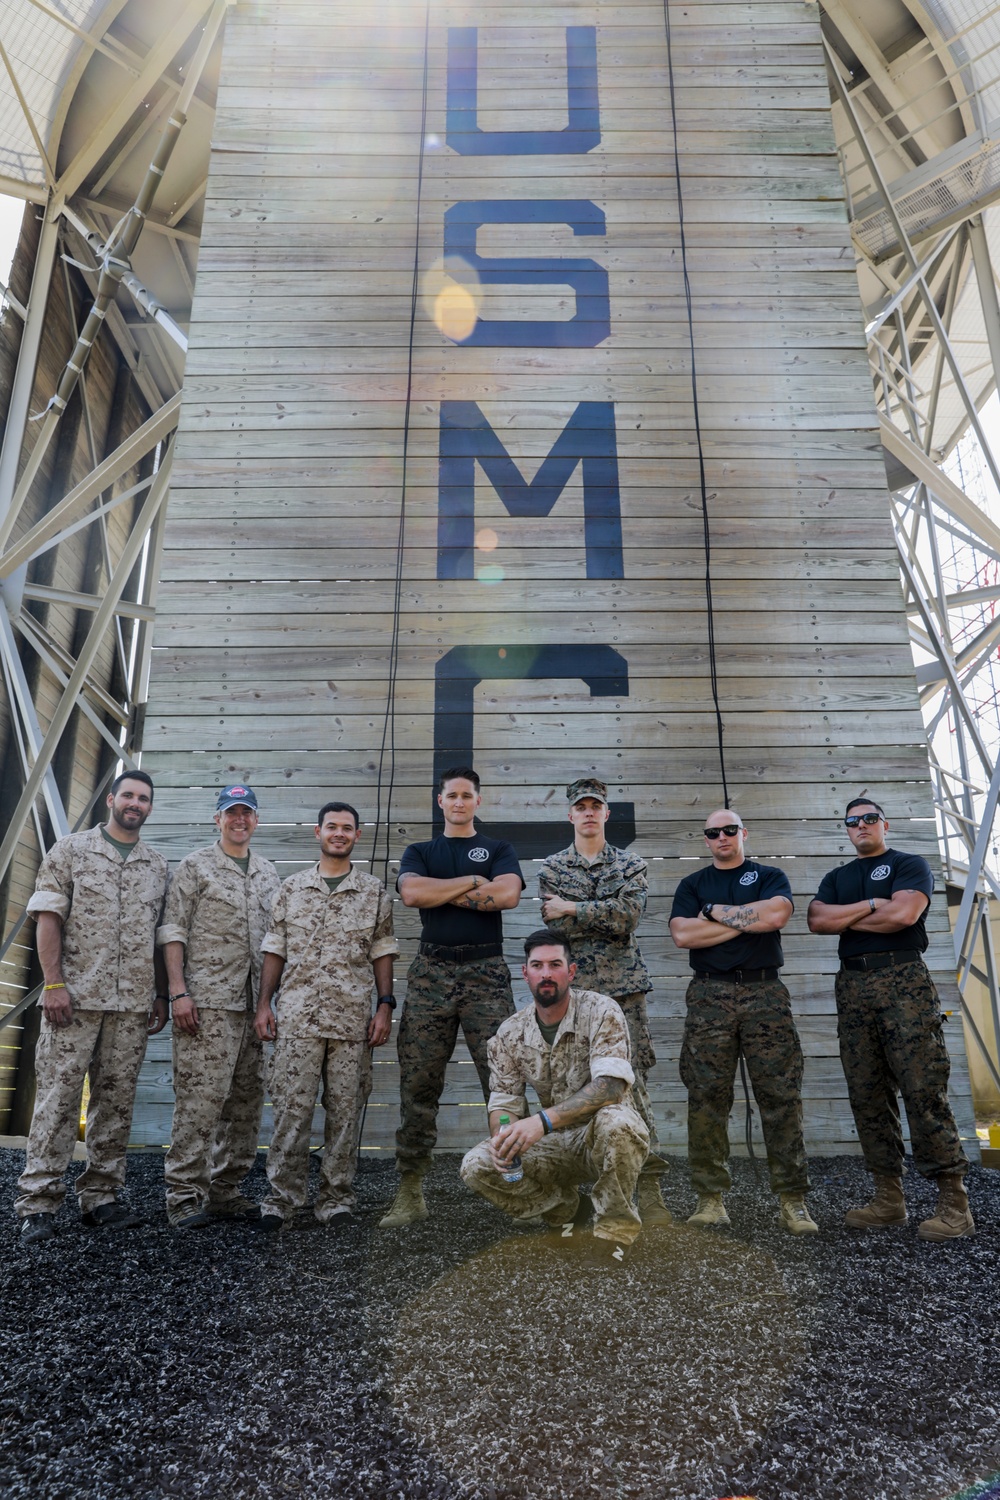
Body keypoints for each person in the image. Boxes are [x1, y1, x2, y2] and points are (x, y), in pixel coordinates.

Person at [807, 795, 973, 1240]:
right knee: (867, 1092)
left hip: (903, 981)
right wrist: (873, 906)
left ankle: (954, 1204)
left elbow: (905, 913)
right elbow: (818, 920)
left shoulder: (908, 864)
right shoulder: (837, 877)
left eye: (869, 818)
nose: (861, 825)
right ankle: (888, 1199)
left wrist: (851, 917)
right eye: (852, 821)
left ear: (885, 824)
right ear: (846, 829)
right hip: (853, 988)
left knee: (923, 1089)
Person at [15, 770, 169, 1244]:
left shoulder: (156, 866)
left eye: (143, 798)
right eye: (128, 795)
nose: (135, 804)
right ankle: (38, 1203)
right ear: (110, 799)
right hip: (74, 1001)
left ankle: (101, 1197)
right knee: (58, 1100)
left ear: (149, 807)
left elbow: (161, 939)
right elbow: (47, 917)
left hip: (131, 1007)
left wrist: (161, 993)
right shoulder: (72, 850)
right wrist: (54, 983)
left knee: (115, 1103)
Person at [379, 765, 524, 1229]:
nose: (459, 801)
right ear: (439, 801)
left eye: (467, 795)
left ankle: (516, 1183)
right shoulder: (420, 850)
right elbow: (412, 894)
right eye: (451, 795)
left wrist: (444, 891)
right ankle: (410, 1189)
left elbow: (508, 897)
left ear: (478, 801)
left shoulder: (499, 849)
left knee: (502, 1083)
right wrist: (473, 881)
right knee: (418, 1084)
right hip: (431, 972)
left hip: (486, 970)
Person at [460, 929, 649, 1266]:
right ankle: (566, 1209)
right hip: (554, 1144)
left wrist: (541, 1122)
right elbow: (504, 1103)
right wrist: (504, 1136)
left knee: (618, 1122)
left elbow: (611, 1087)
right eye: (537, 965)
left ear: (571, 971)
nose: (546, 974)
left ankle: (615, 1234)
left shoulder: (600, 1011)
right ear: (526, 973)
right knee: (478, 1165)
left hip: (599, 1137)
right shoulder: (509, 1033)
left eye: (555, 964)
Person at [668, 809, 817, 1235]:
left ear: (743, 833)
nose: (722, 837)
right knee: (707, 1097)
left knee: (780, 1096)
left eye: (729, 829)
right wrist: (744, 921)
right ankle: (710, 1199)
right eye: (713, 832)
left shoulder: (769, 876)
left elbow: (775, 917)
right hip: (709, 995)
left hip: (765, 993)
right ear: (706, 840)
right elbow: (683, 936)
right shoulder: (692, 884)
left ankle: (793, 1201)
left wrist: (713, 915)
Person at [254, 801, 398, 1228]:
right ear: (317, 833)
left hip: (352, 1022)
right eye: (331, 826)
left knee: (345, 1112)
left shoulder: (374, 893)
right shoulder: (290, 889)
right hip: (297, 1020)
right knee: (290, 1111)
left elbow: (383, 952)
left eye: (347, 828)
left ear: (357, 835)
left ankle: (336, 1199)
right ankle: (282, 1199)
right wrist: (264, 1003)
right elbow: (274, 950)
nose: (339, 833)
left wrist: (385, 1007)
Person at [539, 776, 670, 1226]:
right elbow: (556, 932)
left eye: (597, 805)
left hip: (624, 991)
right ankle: (572, 1193)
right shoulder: (553, 867)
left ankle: (648, 1189)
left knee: (634, 1085)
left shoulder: (631, 863)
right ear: (571, 814)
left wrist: (575, 908)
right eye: (582, 806)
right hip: (574, 997)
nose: (589, 812)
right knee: (574, 1084)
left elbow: (627, 917)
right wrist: (601, 910)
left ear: (606, 813)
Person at [157, 784, 280, 1228]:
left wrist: (268, 1003)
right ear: (218, 819)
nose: (239, 820)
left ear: (256, 820)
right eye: (231, 813)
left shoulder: (268, 873)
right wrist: (178, 992)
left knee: (246, 1103)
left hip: (253, 1007)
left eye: (247, 813)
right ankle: (184, 1196)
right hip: (206, 1003)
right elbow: (173, 931)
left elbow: (274, 944)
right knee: (200, 1102)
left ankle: (226, 1190)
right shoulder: (195, 866)